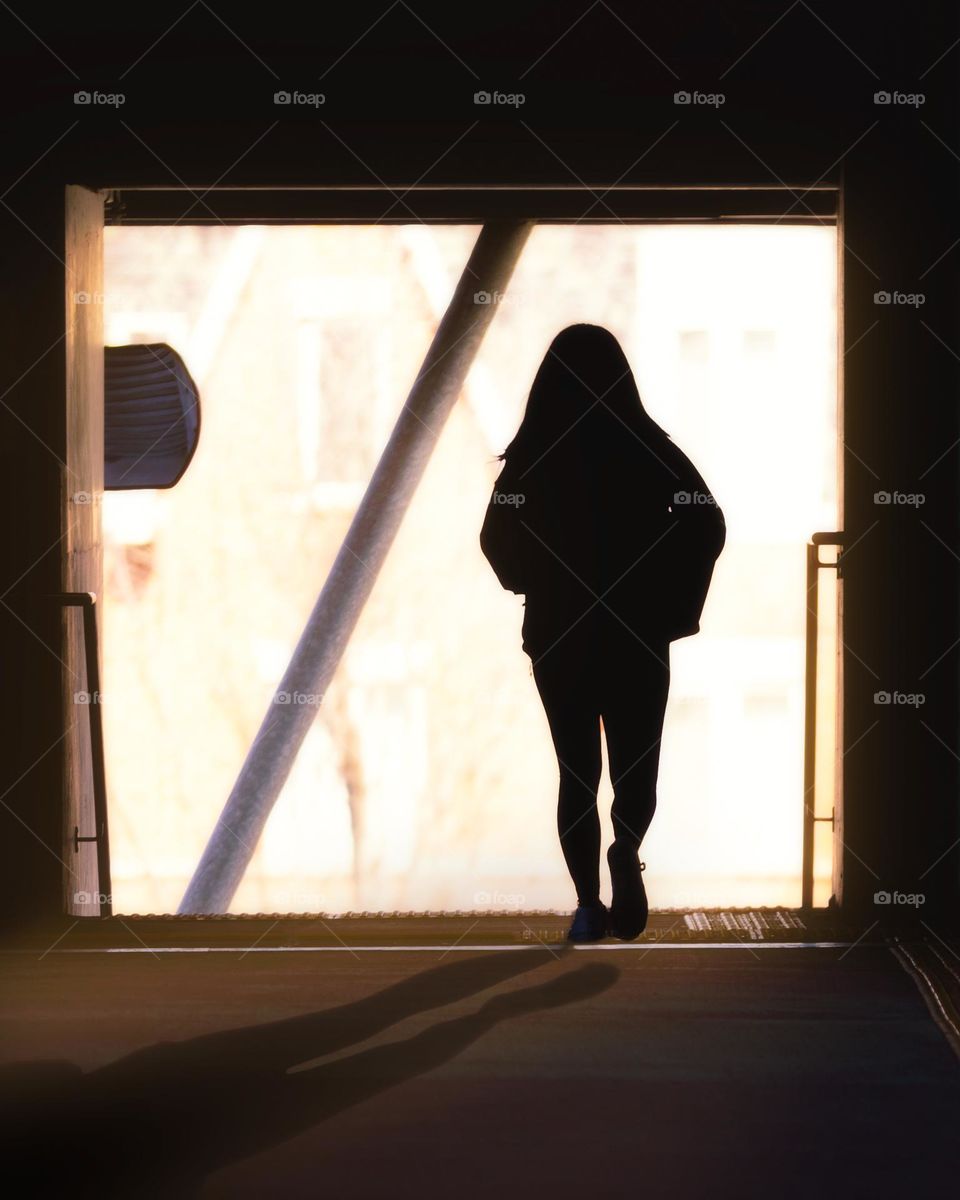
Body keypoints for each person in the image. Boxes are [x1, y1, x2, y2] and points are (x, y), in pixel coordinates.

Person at [480, 324, 726, 942]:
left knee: (577, 771)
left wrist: (530, 578)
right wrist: (675, 598)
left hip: (561, 634)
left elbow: (494, 538)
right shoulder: (646, 446)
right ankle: (628, 847)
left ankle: (587, 903)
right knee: (637, 764)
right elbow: (708, 521)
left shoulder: (534, 455)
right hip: (637, 632)